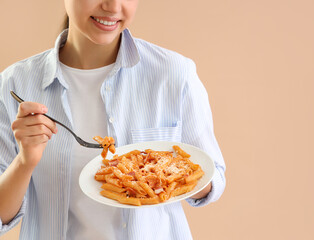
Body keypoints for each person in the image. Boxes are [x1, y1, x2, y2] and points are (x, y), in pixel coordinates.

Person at [0, 0, 226, 239]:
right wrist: (24, 162)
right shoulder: (15, 84)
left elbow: (214, 178)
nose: (113, 6)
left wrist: (173, 172)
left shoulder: (174, 73)